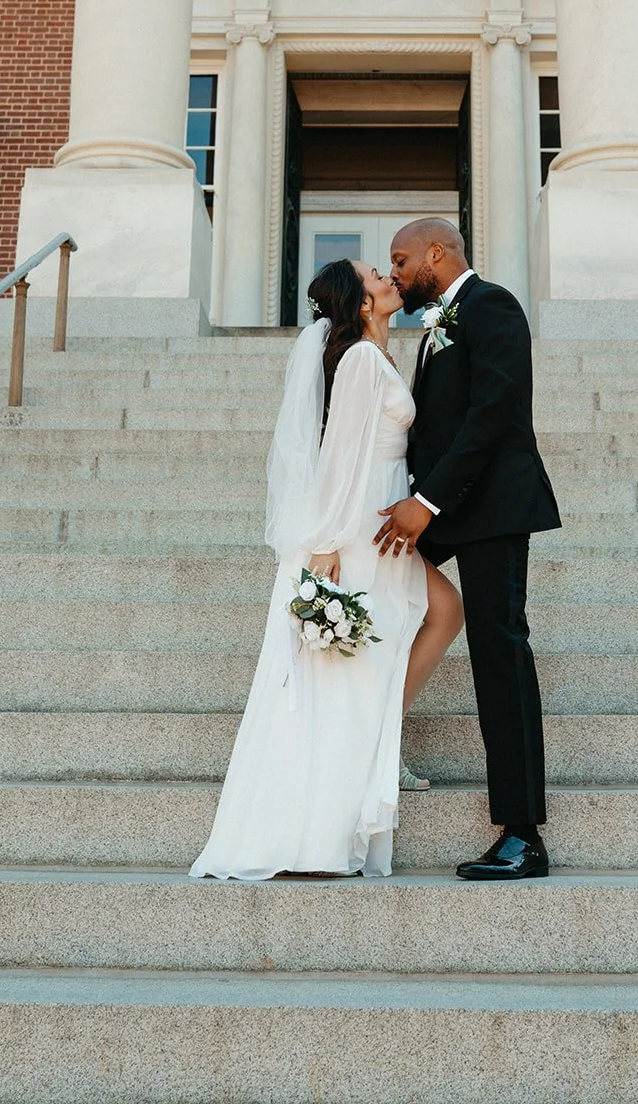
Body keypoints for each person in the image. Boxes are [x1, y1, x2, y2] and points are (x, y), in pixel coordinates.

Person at [190, 257, 463, 880]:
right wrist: (328, 541)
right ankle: (362, 769)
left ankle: (377, 750)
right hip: (362, 526)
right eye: (376, 275)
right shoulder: (364, 361)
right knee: (420, 626)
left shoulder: (376, 354)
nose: (389, 277)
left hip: (380, 517)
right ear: (362, 302)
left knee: (435, 618)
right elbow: (340, 454)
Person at [375, 219, 561, 881]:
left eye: (399, 259)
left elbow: (494, 410)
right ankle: (363, 743)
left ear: (436, 253)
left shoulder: (491, 304)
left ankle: (521, 834)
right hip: (447, 507)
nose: (392, 271)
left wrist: (424, 504)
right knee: (375, 590)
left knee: (499, 652)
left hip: (490, 507)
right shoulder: (434, 324)